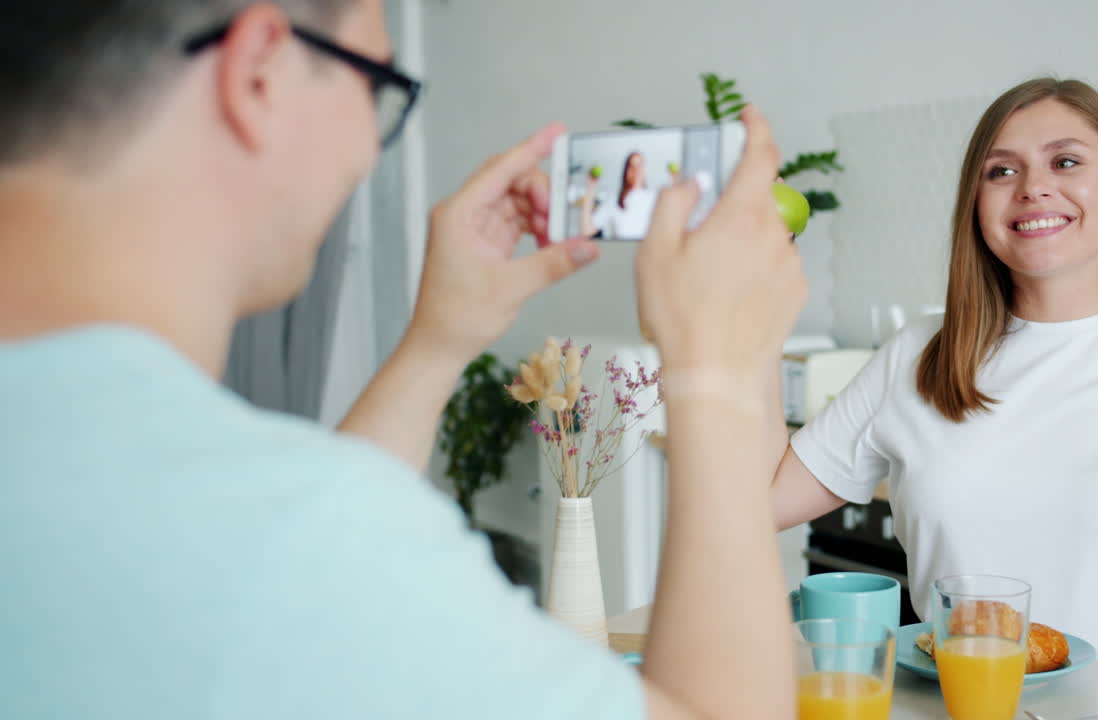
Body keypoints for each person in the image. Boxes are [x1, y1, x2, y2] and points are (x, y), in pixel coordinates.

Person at [0, 2, 806, 719]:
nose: (365, 147)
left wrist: (439, 339)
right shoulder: (291, 538)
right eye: (378, 83)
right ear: (259, 74)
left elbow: (289, 570)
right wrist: (718, 379)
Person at [767, 77, 1098, 670]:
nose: (1034, 187)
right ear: (976, 203)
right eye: (1001, 171)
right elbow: (757, 503)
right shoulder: (919, 354)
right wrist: (751, 307)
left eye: (1065, 162)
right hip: (960, 696)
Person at [580, 151, 679, 239]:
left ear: (644, 170)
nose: (636, 170)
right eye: (632, 166)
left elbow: (675, 219)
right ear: (626, 172)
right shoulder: (614, 200)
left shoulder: (654, 197)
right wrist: (590, 188)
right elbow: (586, 231)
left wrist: (675, 181)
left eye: (640, 165)